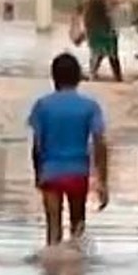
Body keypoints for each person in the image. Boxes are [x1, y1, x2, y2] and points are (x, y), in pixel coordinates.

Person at [27, 53, 109, 248]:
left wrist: (38, 174)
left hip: (50, 172)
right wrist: (102, 180)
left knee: (52, 231)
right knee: (78, 229)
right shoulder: (90, 106)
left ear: (53, 77)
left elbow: (37, 144)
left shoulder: (42, 105)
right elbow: (100, 142)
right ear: (79, 77)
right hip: (78, 172)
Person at [83, 0, 123, 82]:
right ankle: (117, 77)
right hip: (101, 31)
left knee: (100, 53)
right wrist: (111, 29)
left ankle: (93, 73)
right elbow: (107, 14)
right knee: (110, 54)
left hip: (95, 30)